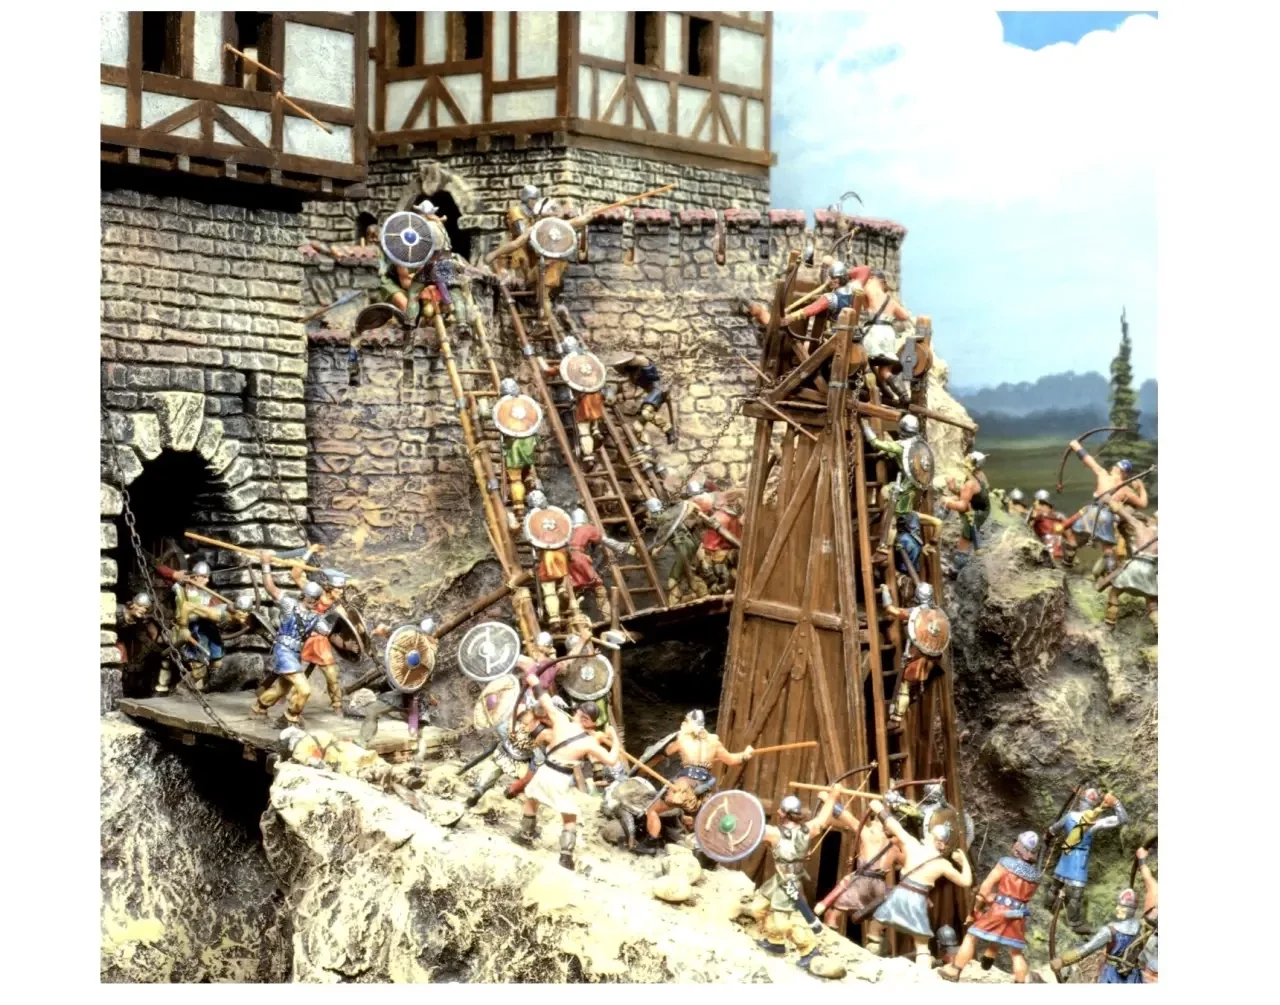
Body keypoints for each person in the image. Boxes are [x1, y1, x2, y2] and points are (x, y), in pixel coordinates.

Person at [514, 670, 621, 870]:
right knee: (569, 816)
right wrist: (614, 739)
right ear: (591, 721)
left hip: (545, 771)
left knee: (531, 800)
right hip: (561, 778)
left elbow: (544, 699)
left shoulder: (560, 720)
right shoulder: (589, 743)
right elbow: (612, 760)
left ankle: (525, 836)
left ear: (578, 713)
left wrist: (534, 681)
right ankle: (565, 856)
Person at [867, 797, 974, 968]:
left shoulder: (913, 845)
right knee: (921, 944)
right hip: (917, 901)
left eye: (930, 835)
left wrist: (879, 809)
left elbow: (894, 826)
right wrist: (964, 862)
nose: (927, 836)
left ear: (936, 841)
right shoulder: (943, 864)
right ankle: (919, 969)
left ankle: (871, 958)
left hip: (900, 895)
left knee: (875, 927)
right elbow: (966, 881)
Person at [939, 831, 1042, 983]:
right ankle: (1020, 983)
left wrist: (978, 906)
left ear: (1019, 847)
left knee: (971, 936)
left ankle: (954, 970)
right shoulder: (1036, 876)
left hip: (999, 911)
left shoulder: (1006, 863)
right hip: (1018, 915)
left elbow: (986, 886)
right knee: (1016, 952)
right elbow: (1019, 897)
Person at [750, 792, 838, 969]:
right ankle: (774, 940)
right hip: (779, 878)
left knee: (782, 920)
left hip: (788, 882)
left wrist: (833, 797)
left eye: (781, 810)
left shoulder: (774, 833)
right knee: (758, 906)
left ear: (785, 813)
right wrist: (833, 797)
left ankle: (808, 949)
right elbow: (822, 819)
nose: (778, 812)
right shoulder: (808, 829)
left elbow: (751, 829)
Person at [643, 709, 754, 842]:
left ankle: (650, 843)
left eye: (685, 721)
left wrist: (647, 764)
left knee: (653, 810)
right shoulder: (714, 742)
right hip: (704, 785)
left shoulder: (682, 740)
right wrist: (745, 754)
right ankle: (701, 846)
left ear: (689, 723)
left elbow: (662, 754)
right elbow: (732, 760)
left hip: (685, 785)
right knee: (703, 819)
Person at [813, 801, 902, 954]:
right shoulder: (896, 847)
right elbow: (905, 865)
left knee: (834, 912)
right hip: (880, 887)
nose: (872, 822)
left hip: (862, 882)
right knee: (876, 918)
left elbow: (846, 816)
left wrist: (830, 799)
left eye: (874, 820)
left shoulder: (868, 834)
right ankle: (874, 945)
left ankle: (828, 946)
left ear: (878, 822)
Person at [1043, 788, 1128, 934]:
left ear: (1081, 802)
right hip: (1079, 862)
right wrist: (1116, 803)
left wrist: (1047, 837)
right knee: (1076, 896)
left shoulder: (1069, 816)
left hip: (1066, 856)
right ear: (1093, 804)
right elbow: (1123, 819)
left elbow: (1052, 830)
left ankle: (1046, 908)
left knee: (1054, 887)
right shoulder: (1094, 822)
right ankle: (1074, 924)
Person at [251, 556, 325, 725]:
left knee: (280, 690)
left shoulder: (316, 618)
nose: (314, 602)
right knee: (304, 690)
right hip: (283, 651)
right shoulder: (289, 605)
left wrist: (349, 645)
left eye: (316, 599)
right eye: (311, 598)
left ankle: (259, 707)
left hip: (295, 654)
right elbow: (270, 588)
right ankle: (290, 717)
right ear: (304, 596)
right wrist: (265, 564)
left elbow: (332, 634)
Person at [861, 416, 942, 567]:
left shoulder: (901, 446)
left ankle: (883, 550)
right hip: (911, 490)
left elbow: (875, 443)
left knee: (891, 518)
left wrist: (864, 425)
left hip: (902, 490)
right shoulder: (919, 446)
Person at [1061, 439, 1148, 572]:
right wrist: (1141, 487)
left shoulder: (1103, 475)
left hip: (1091, 512)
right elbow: (1143, 504)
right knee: (1107, 549)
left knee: (1072, 538)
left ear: (1119, 470)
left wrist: (1076, 446)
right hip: (1107, 517)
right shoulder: (1126, 490)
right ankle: (1110, 572)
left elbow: (1088, 459)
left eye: (1115, 467)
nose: (1113, 468)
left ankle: (1067, 563)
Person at [878, 582, 950, 731]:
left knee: (904, 685)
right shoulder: (937, 613)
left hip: (918, 656)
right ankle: (916, 691)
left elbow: (891, 610)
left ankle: (896, 718)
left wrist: (885, 591)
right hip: (933, 658)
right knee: (920, 679)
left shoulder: (914, 612)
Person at [373, 200, 454, 327]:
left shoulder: (425, 250)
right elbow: (405, 282)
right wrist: (424, 287)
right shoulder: (402, 248)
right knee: (406, 306)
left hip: (414, 280)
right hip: (393, 283)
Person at [851, 265, 917, 405]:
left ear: (872, 278)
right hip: (888, 333)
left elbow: (856, 292)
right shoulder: (889, 299)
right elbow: (904, 316)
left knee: (863, 361)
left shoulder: (868, 287)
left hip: (875, 332)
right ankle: (903, 395)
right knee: (884, 371)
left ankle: (871, 392)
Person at [1050, 888, 1144, 984]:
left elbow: (1086, 949)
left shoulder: (1109, 931)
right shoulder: (1140, 927)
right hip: (1133, 975)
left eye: (1121, 907)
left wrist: (1062, 961)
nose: (1117, 909)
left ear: (1130, 910)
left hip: (1112, 975)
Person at [566, 508, 635, 623]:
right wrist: (622, 547)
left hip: (566, 560)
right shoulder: (587, 528)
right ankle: (607, 617)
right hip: (580, 559)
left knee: (572, 587)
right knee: (598, 587)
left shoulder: (566, 530)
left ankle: (571, 618)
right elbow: (604, 540)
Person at [170, 560, 229, 693]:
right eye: (204, 577)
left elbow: (216, 610)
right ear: (195, 576)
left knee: (217, 663)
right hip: (190, 629)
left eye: (208, 577)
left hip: (207, 629)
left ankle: (204, 690)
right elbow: (174, 584)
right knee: (198, 671)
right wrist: (181, 579)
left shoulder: (207, 594)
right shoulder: (180, 590)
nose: (207, 580)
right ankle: (181, 689)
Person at [493, 377, 541, 525]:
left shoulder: (506, 407)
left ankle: (519, 507)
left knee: (515, 479)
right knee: (527, 468)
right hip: (529, 444)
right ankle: (530, 482)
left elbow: (499, 417)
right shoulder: (524, 404)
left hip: (514, 446)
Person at [644, 496, 709, 604]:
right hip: (689, 546)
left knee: (672, 581)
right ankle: (701, 594)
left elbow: (661, 539)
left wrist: (654, 549)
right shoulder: (670, 516)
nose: (646, 514)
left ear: (651, 511)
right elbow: (667, 536)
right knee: (687, 574)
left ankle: (674, 604)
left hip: (683, 549)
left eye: (647, 511)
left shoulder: (663, 522)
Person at [1104, 501, 1157, 631]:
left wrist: (1109, 500)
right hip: (1150, 570)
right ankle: (1158, 626)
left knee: (1114, 593)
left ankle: (1109, 623)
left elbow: (1121, 512)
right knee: (1152, 604)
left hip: (1135, 566)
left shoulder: (1140, 526)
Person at [610, 352, 676, 450]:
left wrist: (628, 359)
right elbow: (636, 393)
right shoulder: (634, 377)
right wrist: (621, 397)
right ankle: (649, 448)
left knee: (646, 412)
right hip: (652, 394)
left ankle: (668, 429)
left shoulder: (645, 368)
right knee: (637, 427)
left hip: (658, 390)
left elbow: (643, 360)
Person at [941, 451, 991, 574]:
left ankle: (954, 571)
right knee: (952, 499)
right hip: (976, 504)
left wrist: (947, 502)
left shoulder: (970, 483)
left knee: (963, 542)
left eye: (968, 459)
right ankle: (939, 521)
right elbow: (966, 495)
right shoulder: (977, 475)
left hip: (976, 513)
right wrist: (953, 488)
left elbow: (963, 506)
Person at [1028, 489, 1068, 564]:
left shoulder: (1037, 517)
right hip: (1060, 556)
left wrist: (1032, 517)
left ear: (1039, 504)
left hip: (1046, 558)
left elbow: (1027, 531)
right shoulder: (1060, 516)